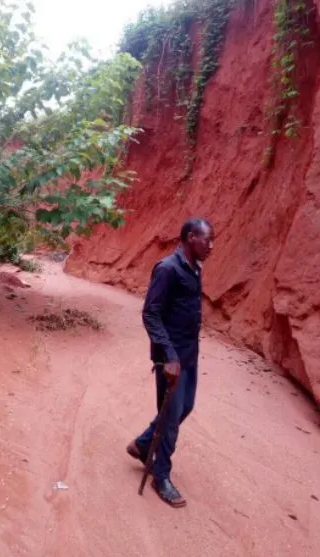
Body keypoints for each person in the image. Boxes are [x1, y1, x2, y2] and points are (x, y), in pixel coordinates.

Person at [127, 218, 214, 508]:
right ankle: (161, 475)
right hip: (171, 359)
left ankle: (143, 444)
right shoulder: (168, 269)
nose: (211, 246)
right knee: (173, 417)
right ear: (191, 237)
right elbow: (150, 314)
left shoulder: (194, 267)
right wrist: (169, 356)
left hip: (189, 354)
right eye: (206, 240)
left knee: (184, 407)